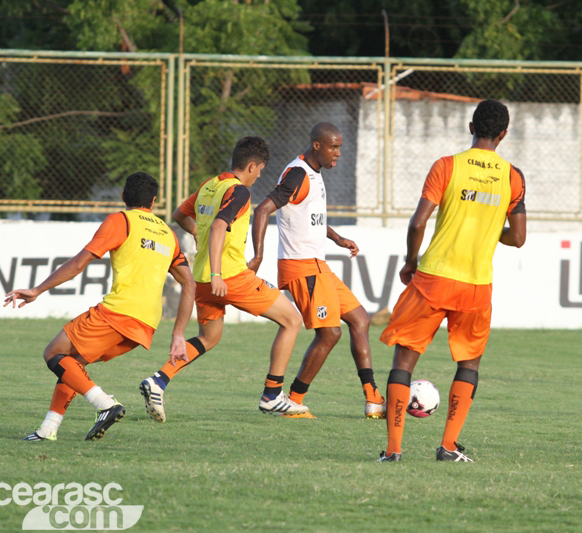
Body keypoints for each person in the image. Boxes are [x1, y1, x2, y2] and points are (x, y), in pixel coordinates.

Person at [377, 99, 526, 462]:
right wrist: (491, 229)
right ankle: (447, 447)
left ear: (470, 126)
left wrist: (411, 262)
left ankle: (394, 451)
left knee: (403, 363)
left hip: (433, 278)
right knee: (469, 365)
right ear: (504, 135)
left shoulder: (447, 166)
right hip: (476, 285)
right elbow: (519, 237)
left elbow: (417, 222)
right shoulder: (512, 176)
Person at [4, 172, 196, 441]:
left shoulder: (121, 221)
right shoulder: (167, 234)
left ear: (123, 196)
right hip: (146, 325)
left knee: (54, 353)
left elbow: (78, 264)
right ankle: (48, 429)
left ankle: (106, 404)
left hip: (117, 313)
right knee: (73, 365)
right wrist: (178, 335)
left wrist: (37, 290)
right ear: (153, 201)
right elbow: (190, 283)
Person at [140, 136, 308, 421]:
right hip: (229, 278)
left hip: (201, 279)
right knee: (292, 320)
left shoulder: (210, 185)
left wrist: (197, 233)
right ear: (252, 166)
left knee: (210, 337)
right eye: (260, 170)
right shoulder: (239, 191)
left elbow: (179, 215)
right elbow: (219, 226)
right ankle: (272, 395)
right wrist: (218, 272)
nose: (259, 176)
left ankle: (158, 380)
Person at [251, 123, 386, 419]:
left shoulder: (314, 174)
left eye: (339, 147)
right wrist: (258, 255)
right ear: (316, 146)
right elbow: (262, 210)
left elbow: (308, 218)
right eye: (333, 147)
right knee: (330, 334)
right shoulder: (298, 173)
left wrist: (337, 238)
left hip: (317, 264)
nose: (338, 153)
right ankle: (291, 399)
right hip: (301, 266)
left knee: (360, 319)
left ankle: (373, 398)